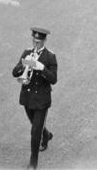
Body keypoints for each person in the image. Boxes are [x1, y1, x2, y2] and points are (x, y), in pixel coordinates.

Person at [12, 27, 58, 170]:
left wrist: (41, 68)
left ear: (44, 40)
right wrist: (24, 65)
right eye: (34, 41)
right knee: (35, 124)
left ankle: (33, 162)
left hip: (42, 100)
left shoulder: (50, 56)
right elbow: (14, 72)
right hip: (28, 97)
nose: (36, 44)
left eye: (39, 41)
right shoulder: (27, 52)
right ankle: (47, 135)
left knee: (34, 131)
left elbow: (54, 79)